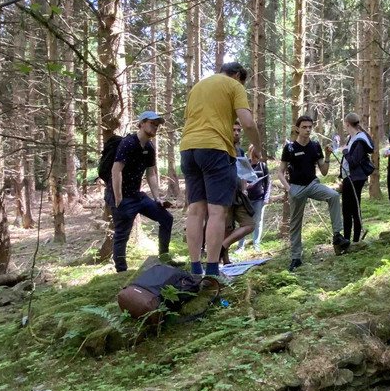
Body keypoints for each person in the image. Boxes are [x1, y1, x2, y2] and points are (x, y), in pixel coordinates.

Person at [179, 62, 262, 277]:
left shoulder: (198, 87)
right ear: (237, 75)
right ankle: (213, 271)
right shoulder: (234, 86)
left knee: (196, 210)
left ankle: (196, 268)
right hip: (215, 148)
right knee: (217, 211)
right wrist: (259, 149)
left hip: (188, 148)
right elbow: (248, 123)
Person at [279, 115, 349, 271]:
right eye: (304, 127)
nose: (307, 130)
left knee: (334, 195)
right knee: (295, 223)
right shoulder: (289, 148)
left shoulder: (315, 146)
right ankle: (296, 257)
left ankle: (337, 235)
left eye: (310, 127)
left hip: (312, 184)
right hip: (296, 188)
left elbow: (323, 172)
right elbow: (280, 172)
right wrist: (289, 189)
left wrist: (328, 156)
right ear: (297, 128)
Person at [107, 111, 173, 273]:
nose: (155, 127)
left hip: (137, 195)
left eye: (157, 125)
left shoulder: (149, 147)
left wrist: (157, 198)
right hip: (121, 197)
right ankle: (121, 272)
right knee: (122, 234)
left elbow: (151, 173)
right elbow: (116, 171)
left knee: (166, 218)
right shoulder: (128, 143)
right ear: (142, 123)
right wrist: (118, 198)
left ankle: (164, 258)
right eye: (152, 123)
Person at [339, 112, 375, 244]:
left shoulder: (360, 139)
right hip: (349, 177)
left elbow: (354, 161)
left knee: (353, 209)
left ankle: (354, 241)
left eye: (344, 123)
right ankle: (347, 239)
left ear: (347, 124)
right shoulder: (352, 137)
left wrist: (345, 152)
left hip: (355, 178)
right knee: (347, 209)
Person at [238, 144, 270, 251]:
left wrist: (266, 197)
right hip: (246, 198)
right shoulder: (246, 164)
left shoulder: (263, 166)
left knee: (258, 221)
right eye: (255, 152)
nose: (257, 155)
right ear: (251, 152)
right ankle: (240, 246)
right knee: (244, 222)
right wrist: (245, 187)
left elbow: (267, 183)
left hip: (259, 198)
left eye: (258, 153)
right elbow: (240, 178)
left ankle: (256, 244)